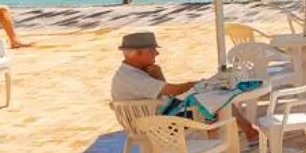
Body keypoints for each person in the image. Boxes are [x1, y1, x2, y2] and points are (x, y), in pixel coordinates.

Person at [111, 31, 259, 143]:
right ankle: (241, 135)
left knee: (211, 99)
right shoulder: (133, 78)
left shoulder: (128, 73)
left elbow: (167, 95)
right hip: (159, 126)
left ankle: (240, 133)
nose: (157, 53)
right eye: (152, 50)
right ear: (137, 53)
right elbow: (175, 91)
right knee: (215, 100)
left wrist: (158, 74)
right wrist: (201, 84)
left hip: (149, 122)